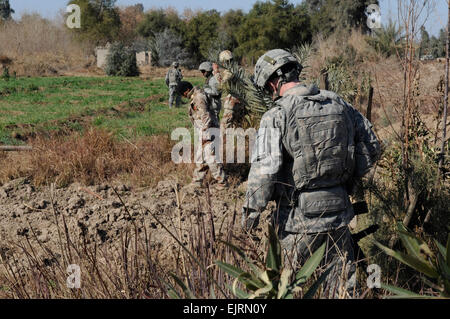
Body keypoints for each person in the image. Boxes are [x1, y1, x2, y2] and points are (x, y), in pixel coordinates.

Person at [241, 49, 381, 298]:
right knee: (342, 288)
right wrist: (346, 182)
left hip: (298, 222)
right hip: (339, 215)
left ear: (273, 82)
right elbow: (372, 146)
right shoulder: (338, 103)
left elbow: (263, 173)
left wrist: (250, 216)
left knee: (291, 287)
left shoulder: (277, 115)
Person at [178, 81, 228, 191]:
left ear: (186, 91)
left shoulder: (198, 97)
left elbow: (206, 116)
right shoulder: (196, 96)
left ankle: (222, 182)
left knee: (211, 157)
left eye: (182, 94)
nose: (182, 96)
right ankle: (197, 181)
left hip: (208, 131)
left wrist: (206, 135)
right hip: (203, 131)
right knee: (200, 158)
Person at [215, 50, 245, 131]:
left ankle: (223, 142)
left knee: (224, 125)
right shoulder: (240, 69)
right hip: (241, 101)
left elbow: (221, 85)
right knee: (238, 125)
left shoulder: (230, 71)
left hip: (232, 102)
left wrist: (216, 72)